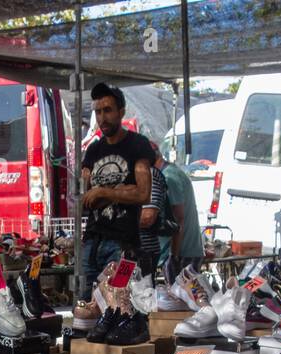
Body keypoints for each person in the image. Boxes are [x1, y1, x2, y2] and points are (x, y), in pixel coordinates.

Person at [80, 83, 154, 292]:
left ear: (121, 112)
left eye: (108, 110)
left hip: (123, 244)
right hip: (92, 241)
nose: (102, 117)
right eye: (98, 111)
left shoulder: (137, 144)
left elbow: (143, 193)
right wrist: (121, 191)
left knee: (118, 304)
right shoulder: (93, 149)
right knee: (86, 305)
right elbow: (82, 196)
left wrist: (103, 192)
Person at [158, 148, 204, 283]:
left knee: (180, 298)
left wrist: (174, 255)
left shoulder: (168, 177)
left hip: (182, 253)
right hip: (185, 251)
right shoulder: (173, 172)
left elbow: (179, 218)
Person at [137, 144, 169, 279]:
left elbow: (148, 217)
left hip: (143, 250)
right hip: (138, 249)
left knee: (141, 293)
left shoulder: (149, 174)